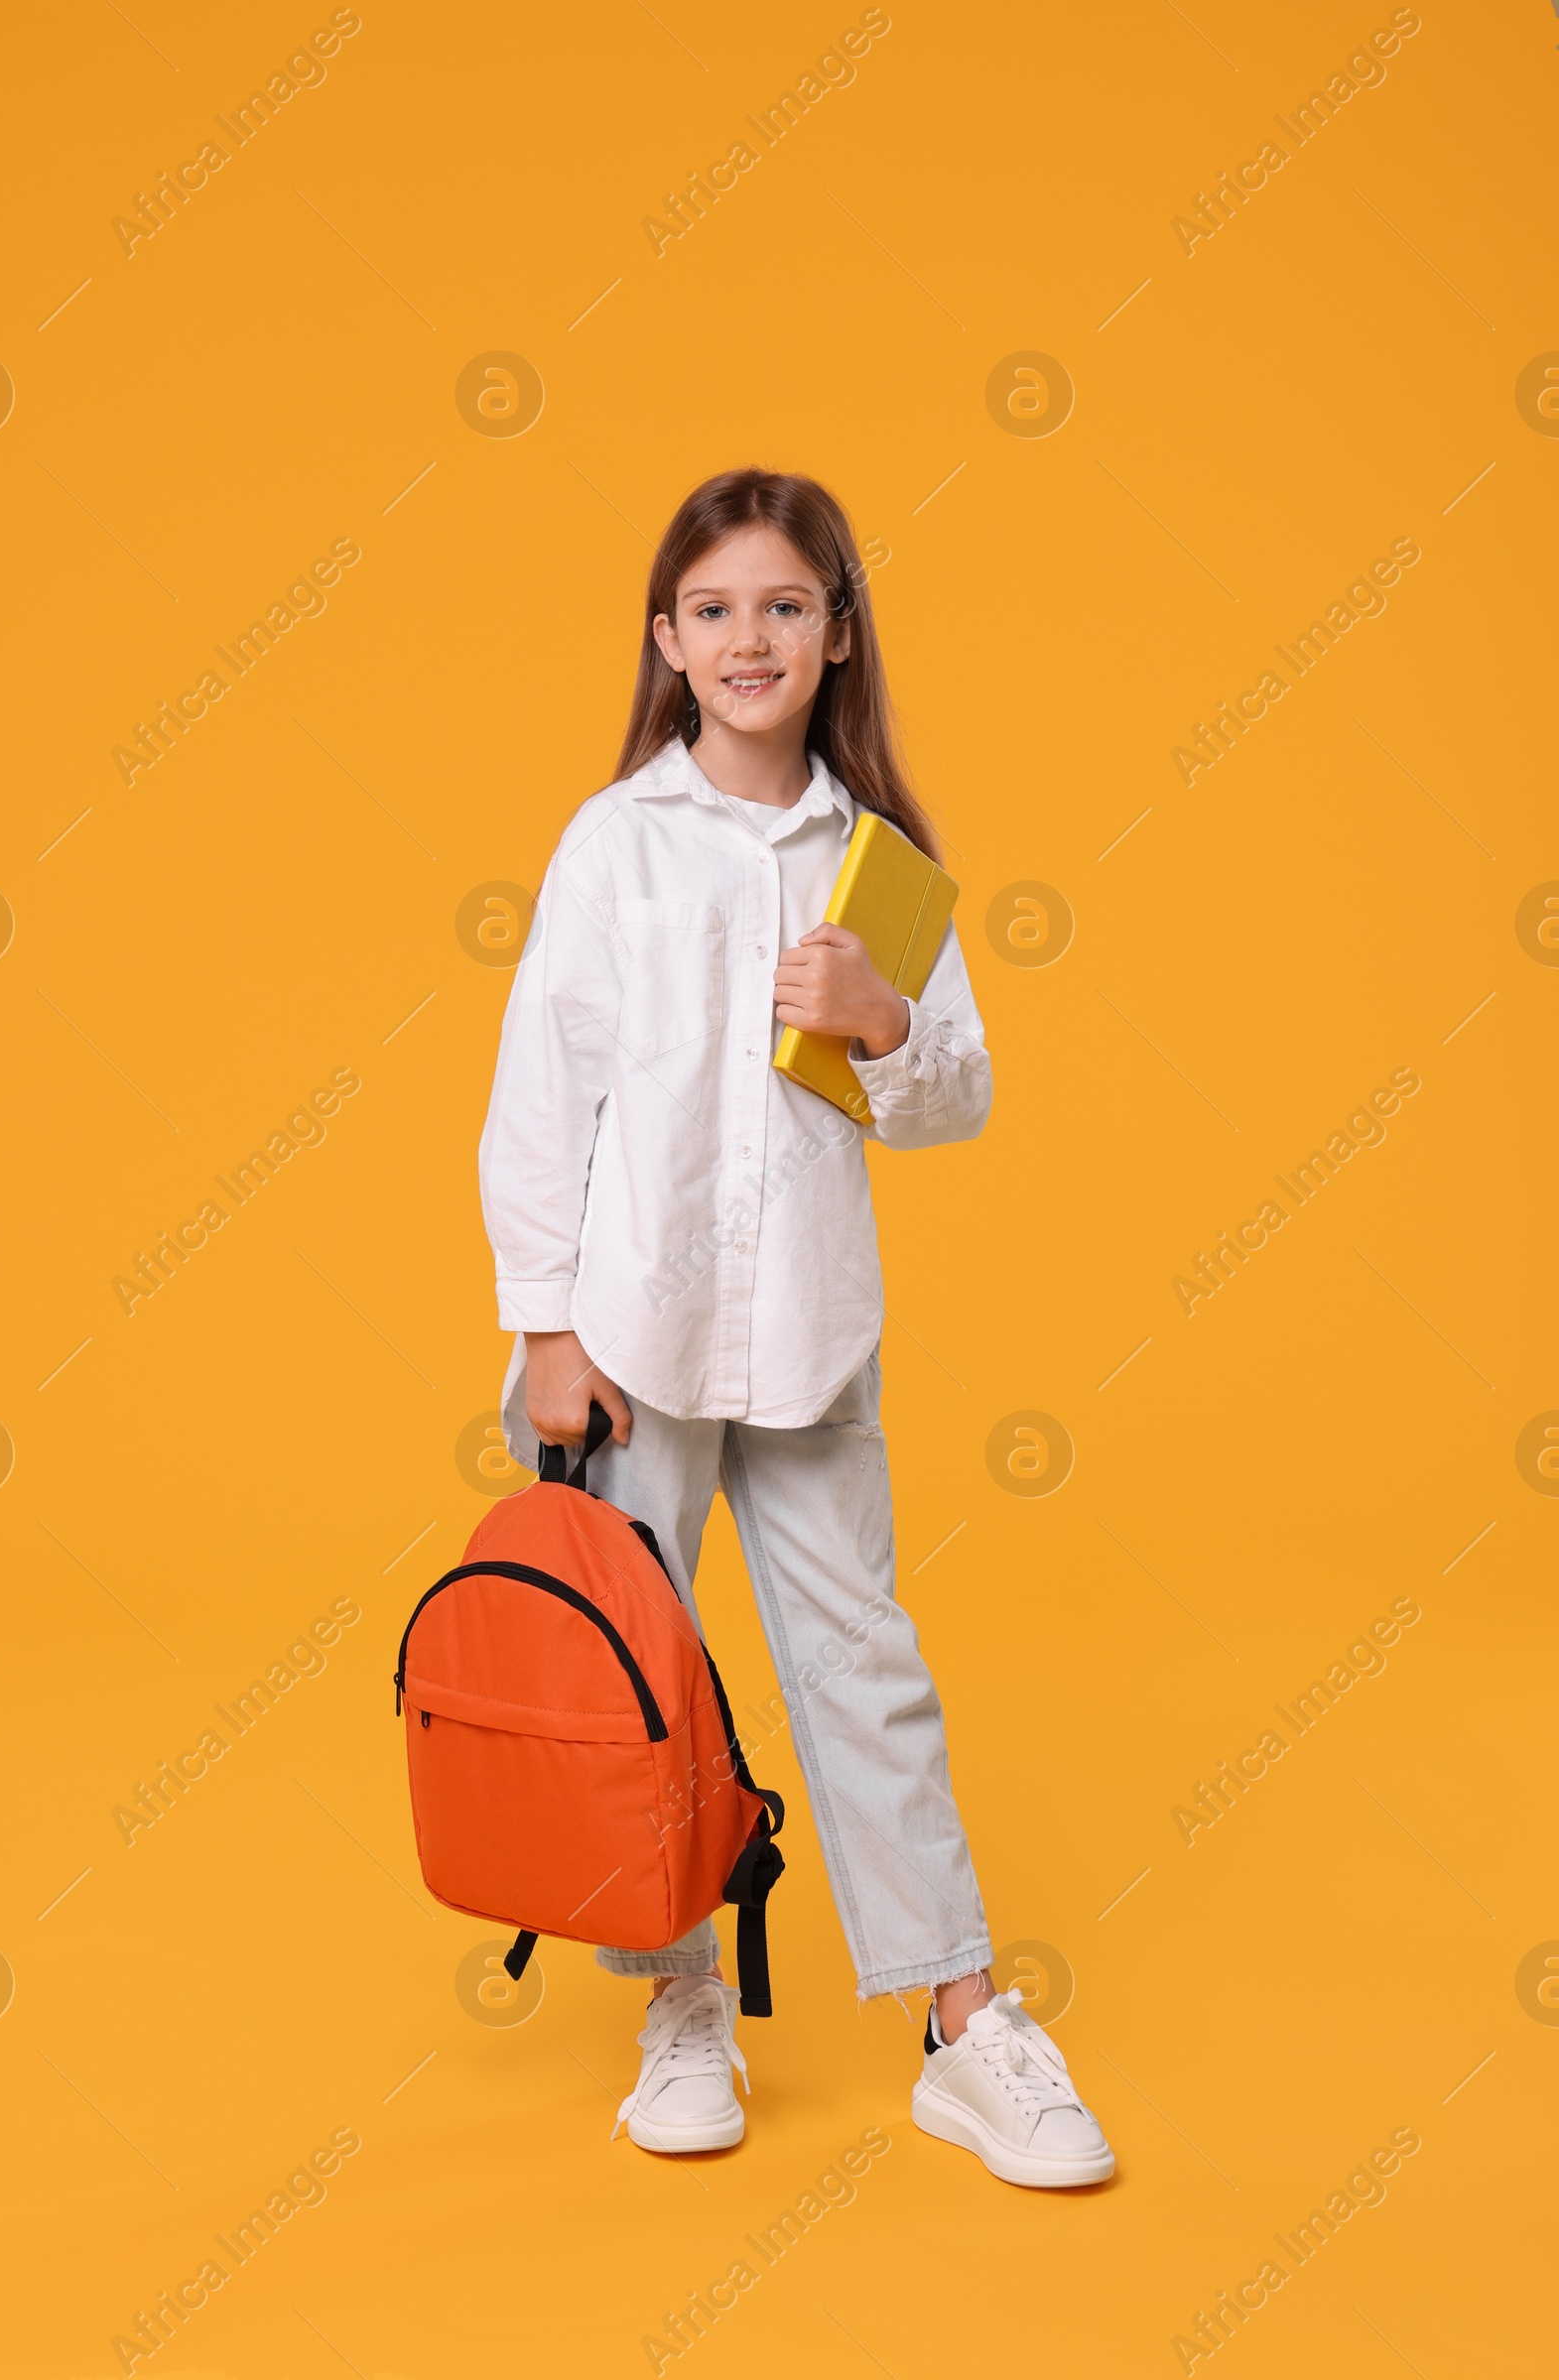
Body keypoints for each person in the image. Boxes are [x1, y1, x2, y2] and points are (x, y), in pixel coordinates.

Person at [478, 467, 1113, 2189]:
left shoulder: (875, 860)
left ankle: (964, 2026)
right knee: (639, 1679)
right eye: (713, 609)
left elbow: (950, 1100)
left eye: (782, 605)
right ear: (666, 643)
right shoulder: (617, 842)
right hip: (629, 1341)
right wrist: (545, 1324)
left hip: (812, 1337)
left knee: (865, 1669)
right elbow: (542, 1092)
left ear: (837, 632)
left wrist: (888, 1018)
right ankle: (680, 1994)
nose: (747, 636)